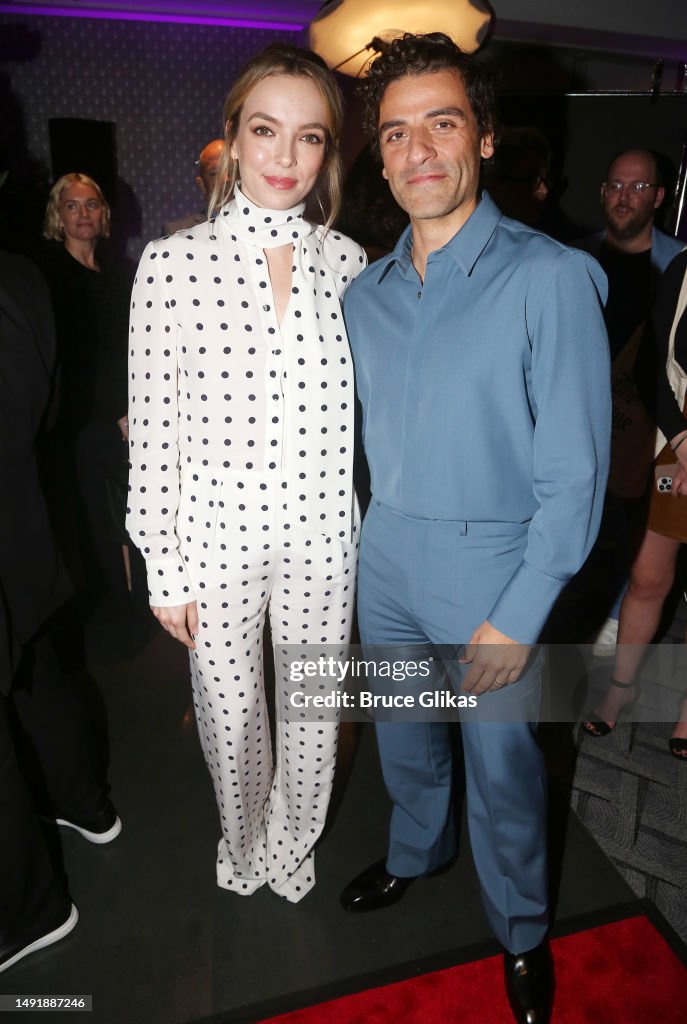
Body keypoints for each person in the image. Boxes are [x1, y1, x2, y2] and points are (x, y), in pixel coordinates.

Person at [339, 34, 610, 1024]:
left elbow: (576, 474)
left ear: (485, 138)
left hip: (496, 566)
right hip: (388, 560)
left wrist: (523, 611)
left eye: (441, 123)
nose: (417, 151)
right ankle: (417, 851)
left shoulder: (550, 277)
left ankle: (525, 928)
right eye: (396, 131)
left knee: (503, 768)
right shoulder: (360, 294)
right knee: (407, 741)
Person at [126, 43, 366, 903]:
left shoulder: (348, 265)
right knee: (231, 721)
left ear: (327, 153)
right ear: (232, 138)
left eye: (308, 138)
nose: (284, 157)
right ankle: (243, 839)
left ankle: (291, 846)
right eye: (265, 131)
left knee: (310, 711)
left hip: (322, 537)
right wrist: (164, 563)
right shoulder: (172, 263)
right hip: (216, 537)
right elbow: (154, 435)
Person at [0, 251, 121, 976]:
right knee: (36, 678)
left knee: (36, 675)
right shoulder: (24, 276)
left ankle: (23, 910)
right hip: (23, 528)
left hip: (24, 524)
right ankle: (81, 802)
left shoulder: (21, 280)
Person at [575, 149, 684, 653]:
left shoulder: (676, 266)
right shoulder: (571, 259)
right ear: (602, 192)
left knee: (640, 540)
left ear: (660, 197)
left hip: (647, 433)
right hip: (577, 426)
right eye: (616, 185)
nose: (625, 197)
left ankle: (617, 619)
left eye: (639, 187)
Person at [582, 250, 687, 760]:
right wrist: (682, 439)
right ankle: (622, 686)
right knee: (648, 576)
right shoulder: (685, 266)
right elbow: (650, 362)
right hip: (678, 443)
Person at [39, 172, 133, 624]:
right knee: (99, 523)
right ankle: (117, 616)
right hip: (85, 423)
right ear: (58, 215)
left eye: (91, 204)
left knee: (134, 513)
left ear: (104, 213)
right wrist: (115, 413)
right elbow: (71, 362)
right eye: (72, 206)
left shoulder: (121, 272)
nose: (83, 214)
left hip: (132, 416)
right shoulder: (51, 276)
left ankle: (141, 604)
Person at [162, 138, 224, 234]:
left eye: (233, 170)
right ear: (202, 184)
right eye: (215, 173)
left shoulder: (254, 226)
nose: (227, 179)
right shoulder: (178, 233)